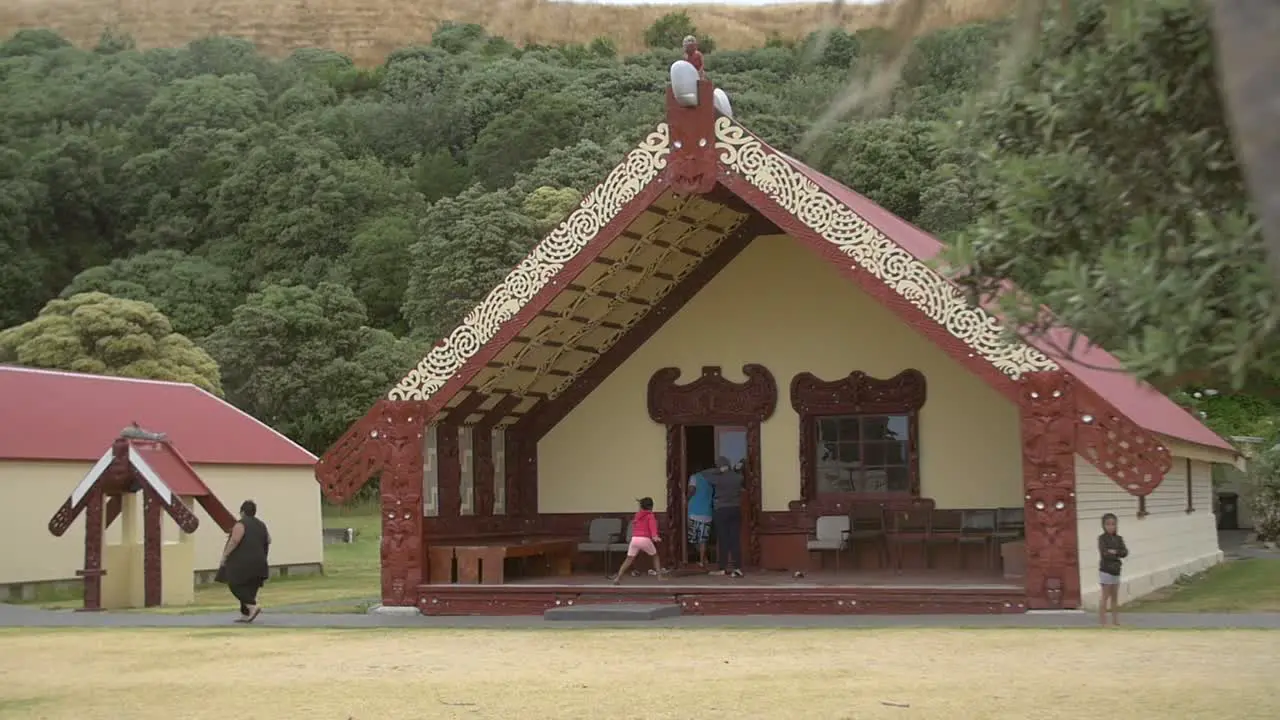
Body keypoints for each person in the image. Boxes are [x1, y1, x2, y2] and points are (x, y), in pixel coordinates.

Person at [218, 500, 271, 623]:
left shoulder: (240, 524)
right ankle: (246, 614)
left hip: (244, 562)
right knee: (250, 586)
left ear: (242, 512)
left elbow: (235, 540)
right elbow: (268, 540)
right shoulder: (262, 524)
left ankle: (252, 606)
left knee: (234, 582)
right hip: (260, 561)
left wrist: (225, 556)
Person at [610, 497, 665, 584]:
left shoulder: (637, 515)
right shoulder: (650, 516)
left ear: (641, 507)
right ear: (651, 507)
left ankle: (617, 578)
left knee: (628, 559)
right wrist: (655, 537)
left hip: (634, 539)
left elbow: (636, 524)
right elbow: (652, 527)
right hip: (645, 539)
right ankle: (659, 576)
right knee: (655, 556)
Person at [707, 456, 744, 578]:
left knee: (723, 539)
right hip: (735, 509)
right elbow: (741, 478)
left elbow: (704, 474)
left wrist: (718, 471)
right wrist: (733, 470)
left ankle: (722, 568)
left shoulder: (718, 478)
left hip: (721, 510)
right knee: (735, 539)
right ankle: (737, 567)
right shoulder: (738, 477)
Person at [1097, 512, 1128, 627]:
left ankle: (1115, 620)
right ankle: (1103, 622)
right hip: (1106, 570)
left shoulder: (1119, 539)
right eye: (1108, 524)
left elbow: (1124, 552)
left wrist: (1115, 552)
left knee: (1115, 596)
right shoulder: (1102, 539)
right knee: (1105, 596)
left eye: (1113, 524)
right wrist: (1115, 553)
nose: (1111, 526)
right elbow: (1105, 553)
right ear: (1104, 526)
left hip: (1116, 570)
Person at [687, 470, 715, 568]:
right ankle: (703, 560)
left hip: (694, 512)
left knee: (694, 539)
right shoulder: (712, 479)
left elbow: (691, 490)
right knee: (703, 539)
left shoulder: (694, 477)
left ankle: (702, 559)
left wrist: (686, 499)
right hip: (707, 513)